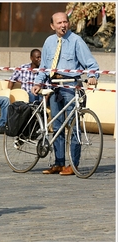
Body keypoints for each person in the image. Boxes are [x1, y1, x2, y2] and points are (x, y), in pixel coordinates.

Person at [31, 12, 99, 176]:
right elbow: (45, 66)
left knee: (74, 126)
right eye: (59, 23)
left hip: (70, 87)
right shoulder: (49, 42)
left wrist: (92, 76)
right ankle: (59, 163)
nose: (63, 25)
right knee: (57, 126)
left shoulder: (76, 41)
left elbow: (91, 64)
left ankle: (73, 164)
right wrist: (38, 82)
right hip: (54, 87)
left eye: (65, 22)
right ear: (52, 26)